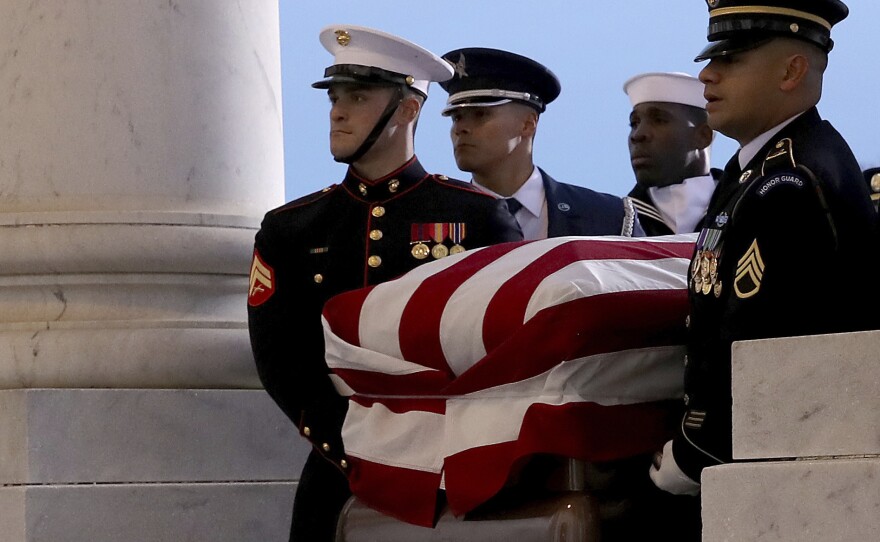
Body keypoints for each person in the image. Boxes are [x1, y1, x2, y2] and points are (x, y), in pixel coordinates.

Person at [246, 25, 522, 542]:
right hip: (339, 472)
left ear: (407, 109)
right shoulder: (291, 228)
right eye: (334, 97)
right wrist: (351, 445)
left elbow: (497, 347)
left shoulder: (477, 217)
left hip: (448, 473)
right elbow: (280, 358)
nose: (338, 111)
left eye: (358, 95)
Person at [650, 0, 880, 507]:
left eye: (729, 59)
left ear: (791, 71)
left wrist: (693, 454)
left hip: (776, 472)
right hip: (761, 461)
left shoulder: (790, 184)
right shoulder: (755, 169)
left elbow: (760, 342)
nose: (706, 74)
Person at [439, 47, 642, 240]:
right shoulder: (431, 217)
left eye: (479, 114)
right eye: (456, 117)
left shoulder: (607, 218)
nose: (460, 128)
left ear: (528, 123)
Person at [624, 71, 720, 235]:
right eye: (634, 123)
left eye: (659, 120)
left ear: (703, 136)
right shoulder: (618, 222)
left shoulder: (751, 205)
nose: (637, 135)